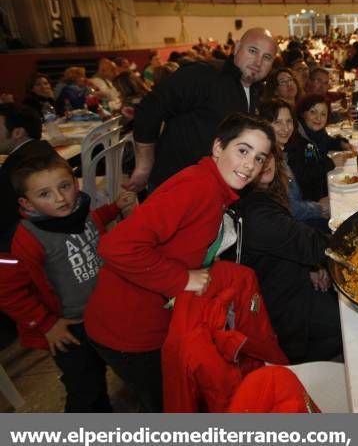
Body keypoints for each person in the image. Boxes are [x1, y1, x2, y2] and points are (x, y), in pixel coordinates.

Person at [84, 113, 273, 412]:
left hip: (149, 320)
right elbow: (116, 246)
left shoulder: (217, 189)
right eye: (243, 150)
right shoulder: (195, 187)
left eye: (260, 158)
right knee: (166, 403)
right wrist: (182, 279)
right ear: (217, 148)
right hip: (127, 329)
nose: (251, 164)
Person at [0, 152, 136, 412]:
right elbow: (8, 291)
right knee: (86, 388)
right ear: (26, 204)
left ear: (76, 184)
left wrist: (114, 208)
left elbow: (94, 222)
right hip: (71, 329)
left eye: (64, 186)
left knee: (124, 362)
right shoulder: (23, 239)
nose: (60, 198)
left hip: (105, 311)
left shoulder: (78, 209)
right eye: (44, 194)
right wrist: (46, 323)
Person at [127, 28, 276, 191]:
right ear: (237, 47)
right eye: (253, 51)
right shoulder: (204, 75)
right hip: (176, 188)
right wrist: (144, 165)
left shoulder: (255, 90)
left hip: (213, 192)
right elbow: (149, 108)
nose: (258, 62)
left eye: (267, 57)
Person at [237, 142, 342, 364]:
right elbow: (312, 244)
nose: (264, 163)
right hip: (281, 310)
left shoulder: (264, 195)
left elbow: (291, 241)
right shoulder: (257, 211)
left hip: (288, 281)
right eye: (256, 158)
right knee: (350, 322)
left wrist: (311, 266)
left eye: (267, 156)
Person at [258, 98, 329, 225]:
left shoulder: (281, 152)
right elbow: (290, 208)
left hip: (300, 215)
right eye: (278, 122)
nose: (285, 128)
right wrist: (320, 207)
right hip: (293, 225)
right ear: (264, 125)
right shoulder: (267, 161)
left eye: (289, 121)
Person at [0, 103, 55, 252]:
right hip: (51, 228)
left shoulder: (17, 165)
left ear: (18, 133)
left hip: (24, 240)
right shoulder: (42, 148)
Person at [285, 95, 351, 204]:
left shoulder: (315, 133)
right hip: (311, 199)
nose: (318, 118)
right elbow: (303, 174)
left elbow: (327, 141)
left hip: (320, 186)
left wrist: (340, 143)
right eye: (313, 112)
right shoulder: (297, 140)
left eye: (323, 114)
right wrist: (331, 162)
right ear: (302, 113)